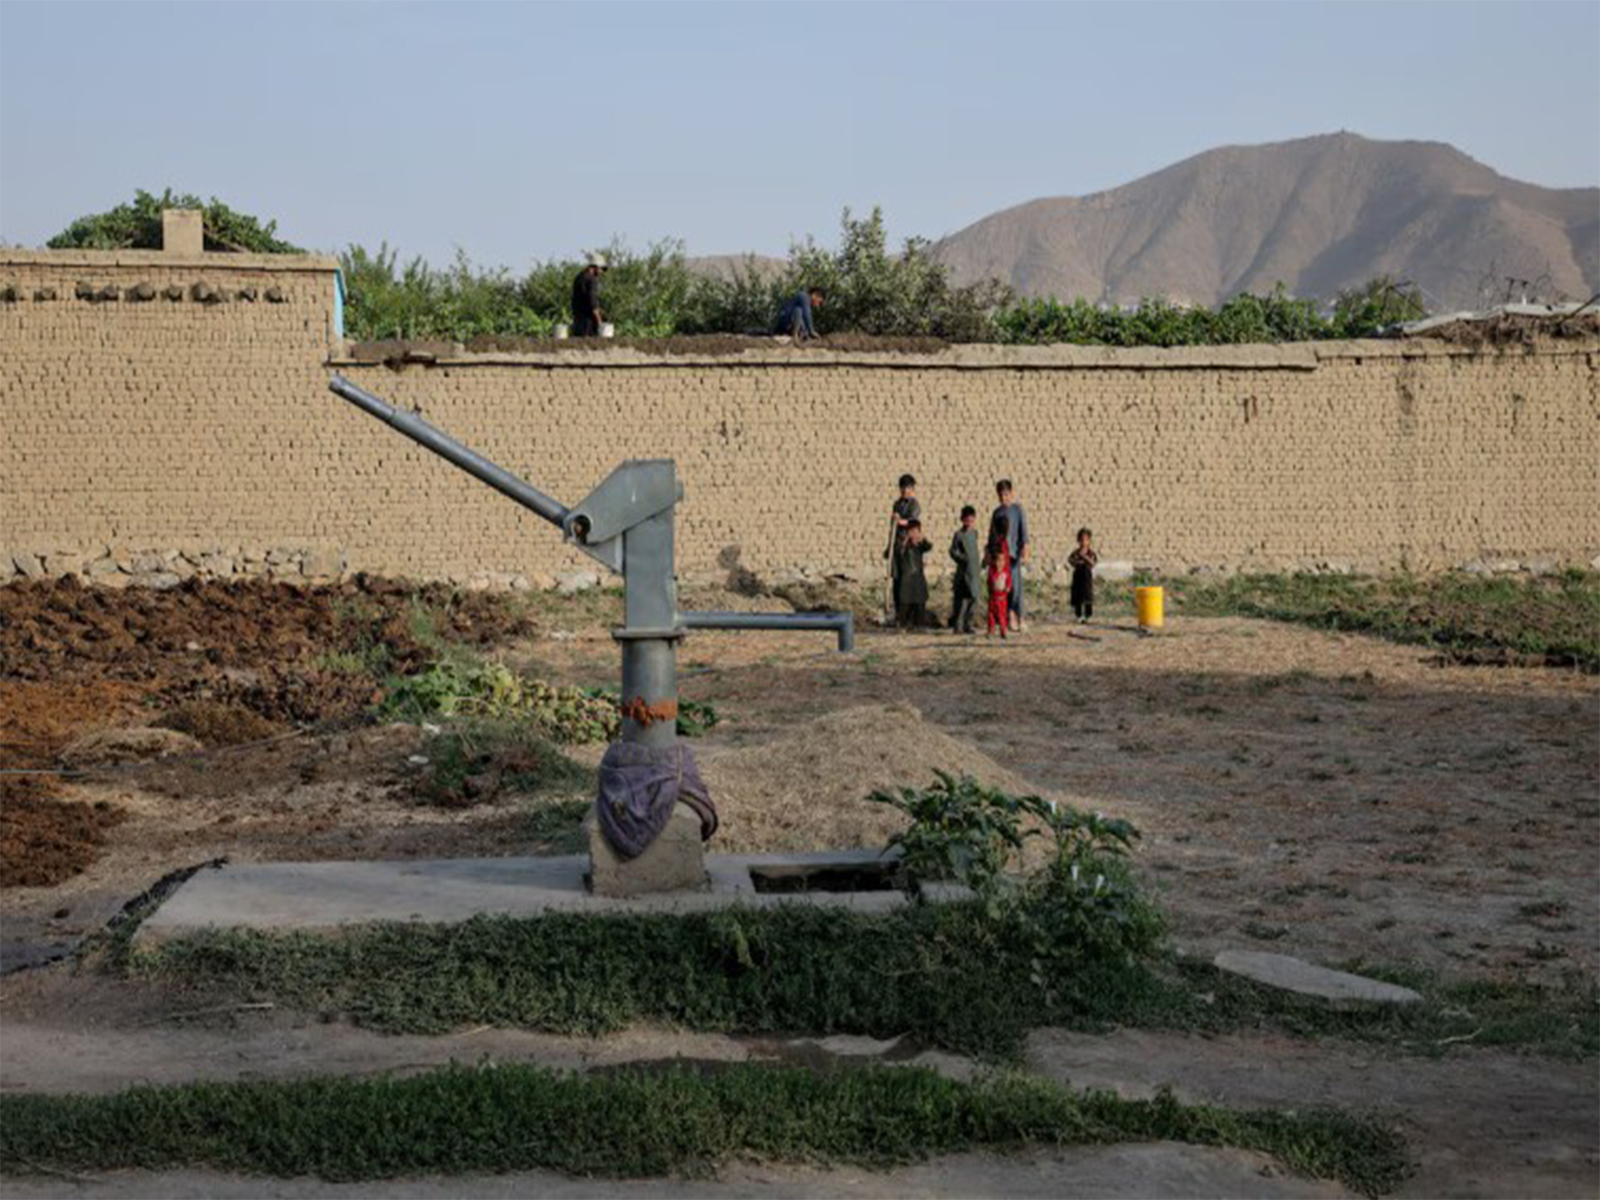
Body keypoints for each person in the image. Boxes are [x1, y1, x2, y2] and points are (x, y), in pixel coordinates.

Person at [987, 479, 1029, 632]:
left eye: (1006, 494)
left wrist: (1025, 546)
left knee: (1016, 586)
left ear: (1011, 493)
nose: (1003, 498)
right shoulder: (997, 513)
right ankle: (1009, 615)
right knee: (1004, 587)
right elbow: (992, 534)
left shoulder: (1017, 510)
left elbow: (1023, 530)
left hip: (1013, 554)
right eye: (1000, 495)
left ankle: (1020, 616)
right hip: (1000, 557)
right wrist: (989, 552)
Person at [883, 473, 920, 622]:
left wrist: (901, 522)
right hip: (897, 546)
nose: (906, 491)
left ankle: (910, 615)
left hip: (909, 548)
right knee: (896, 579)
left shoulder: (914, 505)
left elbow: (913, 521)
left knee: (907, 580)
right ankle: (898, 613)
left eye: (908, 488)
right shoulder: (897, 504)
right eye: (903, 488)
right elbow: (893, 527)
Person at [948, 505, 982, 634]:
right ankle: (959, 626)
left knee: (974, 598)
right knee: (962, 600)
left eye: (971, 520)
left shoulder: (974, 533)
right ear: (962, 519)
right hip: (963, 573)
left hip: (974, 572)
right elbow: (952, 551)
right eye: (966, 520)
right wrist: (962, 558)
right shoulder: (959, 535)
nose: (969, 522)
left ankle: (968, 624)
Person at [893, 519, 933, 629]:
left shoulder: (919, 545)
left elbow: (929, 547)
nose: (914, 533)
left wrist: (922, 539)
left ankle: (919, 624)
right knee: (905, 603)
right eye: (912, 531)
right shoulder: (901, 543)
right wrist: (905, 542)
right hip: (906, 577)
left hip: (917, 576)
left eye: (916, 531)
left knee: (919, 602)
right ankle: (903, 624)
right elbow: (896, 553)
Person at [984, 514, 1013, 638]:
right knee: (991, 612)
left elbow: (1006, 564)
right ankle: (991, 630)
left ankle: (1003, 630)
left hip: (1001, 592)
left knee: (1001, 613)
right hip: (994, 591)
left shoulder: (1000, 542)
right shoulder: (997, 543)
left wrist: (1007, 583)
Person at [571, 252, 607, 337]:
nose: (601, 272)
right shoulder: (592, 280)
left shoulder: (579, 277)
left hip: (577, 320)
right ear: (595, 267)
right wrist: (599, 322)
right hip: (588, 323)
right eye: (601, 269)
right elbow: (593, 303)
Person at [1068, 527, 1097, 622]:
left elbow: (1093, 563)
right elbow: (1070, 560)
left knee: (1087, 596)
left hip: (1087, 578)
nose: (1083, 542)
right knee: (1078, 596)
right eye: (1081, 540)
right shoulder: (1076, 553)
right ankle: (1079, 615)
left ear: (1089, 541)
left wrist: (1084, 557)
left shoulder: (1090, 553)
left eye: (1085, 540)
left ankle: (1088, 615)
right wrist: (1077, 560)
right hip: (1077, 577)